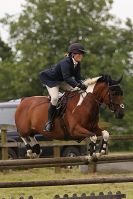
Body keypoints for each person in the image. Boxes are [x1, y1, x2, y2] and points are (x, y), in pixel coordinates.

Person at [39, 42, 87, 132]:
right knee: (54, 98)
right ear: (73, 54)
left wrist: (84, 84)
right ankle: (49, 122)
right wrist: (79, 85)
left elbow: (78, 78)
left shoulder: (77, 63)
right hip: (52, 80)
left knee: (77, 91)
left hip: (62, 81)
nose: (81, 56)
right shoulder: (65, 62)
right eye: (79, 54)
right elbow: (67, 78)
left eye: (82, 54)